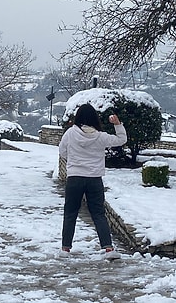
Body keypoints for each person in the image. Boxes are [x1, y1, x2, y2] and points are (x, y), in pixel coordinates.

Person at [58, 103, 127, 259]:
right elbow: (121, 140)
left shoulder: (70, 134)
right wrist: (117, 124)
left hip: (75, 178)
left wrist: (74, 161)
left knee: (70, 213)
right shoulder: (100, 136)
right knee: (98, 213)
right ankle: (108, 248)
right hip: (94, 179)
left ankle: (65, 249)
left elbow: (62, 151)